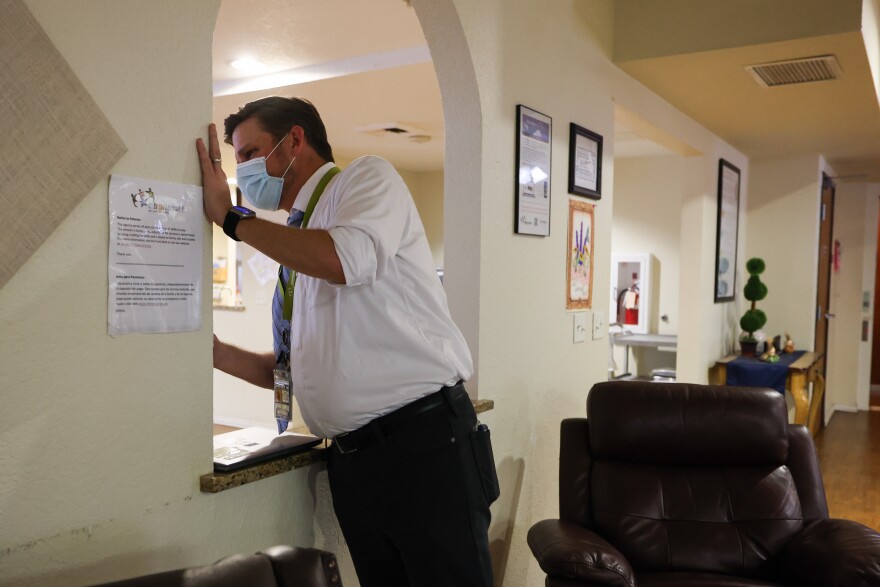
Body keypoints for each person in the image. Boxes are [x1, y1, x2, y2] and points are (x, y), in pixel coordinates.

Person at [196, 96, 498, 587]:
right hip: (355, 463)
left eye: (251, 153)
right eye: (238, 160)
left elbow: (344, 260)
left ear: (295, 139)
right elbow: (295, 368)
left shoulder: (364, 181)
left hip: (422, 446)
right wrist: (216, 354)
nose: (244, 171)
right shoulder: (299, 235)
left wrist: (233, 221)